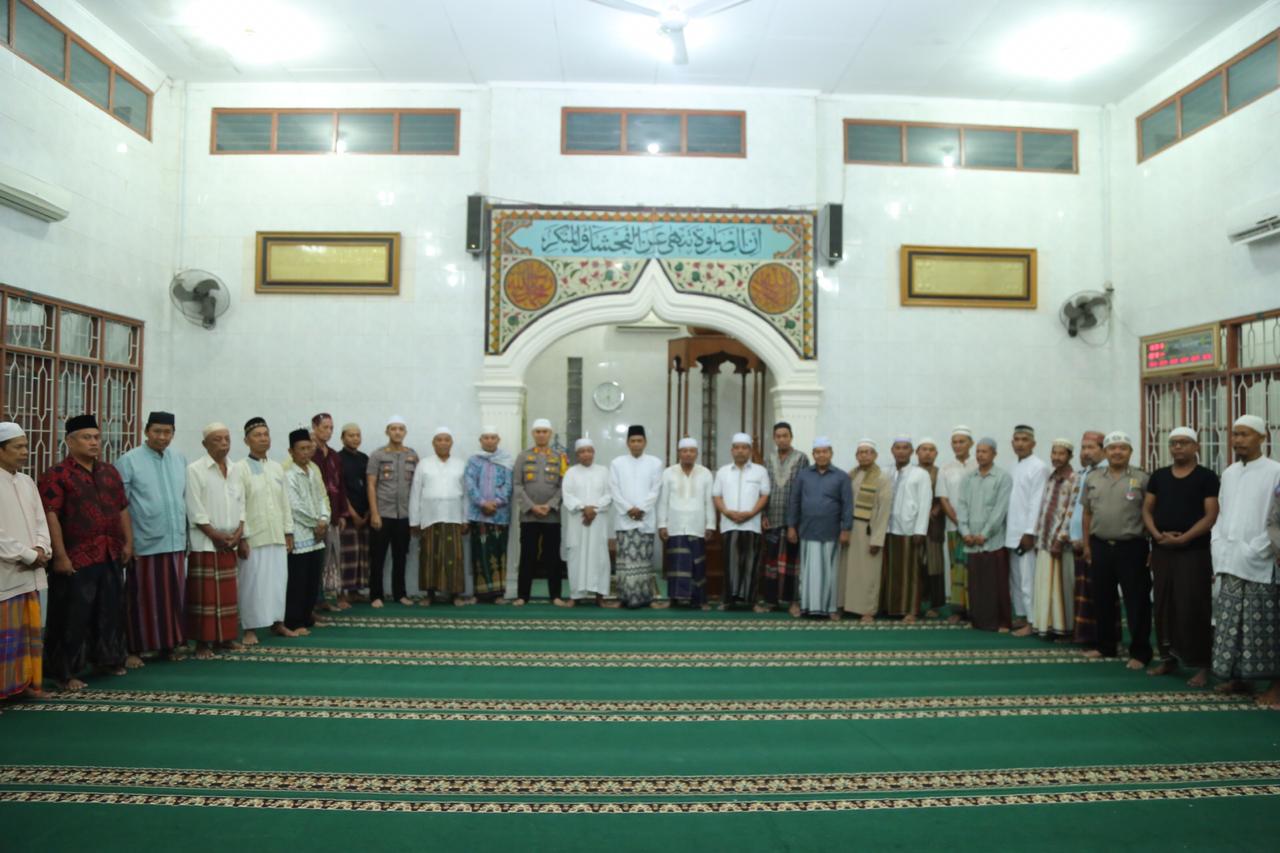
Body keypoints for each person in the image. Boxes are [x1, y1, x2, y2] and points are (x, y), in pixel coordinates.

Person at [39, 414, 132, 691]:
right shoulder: (57, 474)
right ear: (69, 441)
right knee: (72, 615)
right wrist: (60, 555)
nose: (94, 443)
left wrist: (129, 543)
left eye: (96, 437)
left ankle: (108, 659)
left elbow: (122, 508)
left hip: (110, 552)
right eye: (86, 437)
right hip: (76, 557)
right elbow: (50, 515)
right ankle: (64, 672)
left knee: (110, 610)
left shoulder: (109, 472)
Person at [1211, 414, 1280, 705]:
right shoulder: (1228, 473)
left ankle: (1275, 686)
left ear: (1262, 437)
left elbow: (1275, 520)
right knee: (1232, 624)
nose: (1238, 440)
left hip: (1261, 562)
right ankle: (1238, 678)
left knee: (1264, 627)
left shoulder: (1275, 471)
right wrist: (1217, 543)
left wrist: (1257, 548)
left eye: (1245, 434)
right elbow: (1223, 513)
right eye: (1235, 434)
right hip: (1228, 561)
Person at [1143, 426, 1219, 687]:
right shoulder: (1159, 476)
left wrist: (1185, 538)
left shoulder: (1207, 477)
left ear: (1196, 447)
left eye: (1184, 443)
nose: (1177, 447)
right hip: (1163, 550)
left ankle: (1201, 665)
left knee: (1193, 607)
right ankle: (1168, 658)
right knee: (1163, 605)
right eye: (1173, 443)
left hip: (1193, 552)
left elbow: (1211, 515)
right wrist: (1158, 536)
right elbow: (1147, 510)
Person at [114, 411, 188, 667]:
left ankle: (168, 645)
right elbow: (119, 505)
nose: (162, 437)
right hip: (144, 542)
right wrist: (127, 541)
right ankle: (134, 648)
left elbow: (182, 499)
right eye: (157, 431)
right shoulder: (129, 461)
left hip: (175, 541)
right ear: (146, 431)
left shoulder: (178, 459)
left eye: (167, 432)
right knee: (140, 598)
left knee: (172, 596)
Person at [1081, 431, 1151, 670]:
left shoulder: (1142, 478)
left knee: (1136, 601)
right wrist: (1088, 545)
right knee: (1102, 599)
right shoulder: (1093, 478)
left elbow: (1150, 514)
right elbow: (1087, 513)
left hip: (1132, 547)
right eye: (1112, 448)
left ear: (1130, 452)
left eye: (1122, 448)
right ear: (1105, 452)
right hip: (1100, 545)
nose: (1117, 452)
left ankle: (1140, 652)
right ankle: (1105, 646)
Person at [184, 422, 245, 659]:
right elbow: (194, 507)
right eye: (217, 440)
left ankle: (226, 639)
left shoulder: (236, 468)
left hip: (229, 541)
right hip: (206, 542)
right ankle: (202, 643)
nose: (223, 444)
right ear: (204, 444)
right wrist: (214, 534)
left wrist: (239, 531)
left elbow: (242, 503)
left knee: (228, 595)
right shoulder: (195, 469)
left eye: (227, 439)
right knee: (205, 597)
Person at [0, 422, 50, 699]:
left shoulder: (27, 481)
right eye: (17, 447)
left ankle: (25, 685)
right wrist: (29, 554)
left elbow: (40, 520)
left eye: (25, 446)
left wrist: (42, 547)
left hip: (28, 572)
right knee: (4, 638)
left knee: (26, 637)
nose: (25, 452)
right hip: (6, 572)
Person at [233, 417, 293, 644]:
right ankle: (250, 628)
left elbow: (285, 502)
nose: (263, 439)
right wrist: (243, 537)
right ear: (246, 440)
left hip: (277, 535)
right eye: (258, 435)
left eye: (266, 434)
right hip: (253, 537)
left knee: (278, 581)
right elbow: (239, 504)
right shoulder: (239, 469)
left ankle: (278, 623)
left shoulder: (277, 467)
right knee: (252, 583)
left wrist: (289, 532)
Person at [788, 437, 852, 620]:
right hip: (807, 530)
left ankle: (830, 608)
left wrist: (846, 529)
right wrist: (792, 526)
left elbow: (847, 505)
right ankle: (806, 606)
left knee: (830, 572)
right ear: (813, 454)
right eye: (818, 452)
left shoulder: (841, 476)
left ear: (831, 453)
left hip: (831, 532)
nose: (821, 455)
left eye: (825, 451)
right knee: (807, 572)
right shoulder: (803, 475)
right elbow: (795, 501)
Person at [956, 437, 1014, 632]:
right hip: (971, 539)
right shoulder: (968, 478)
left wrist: (985, 533)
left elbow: (1000, 510)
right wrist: (965, 532)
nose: (980, 455)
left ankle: (1001, 622)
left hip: (993, 540)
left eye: (985, 451)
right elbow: (961, 506)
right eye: (978, 451)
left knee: (995, 583)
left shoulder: (1002, 478)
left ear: (994, 454)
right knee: (977, 584)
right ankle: (979, 621)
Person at [1069, 431, 1119, 647]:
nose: (1086, 452)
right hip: (1080, 542)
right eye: (1083, 448)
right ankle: (1086, 636)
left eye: (1091, 447)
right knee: (1084, 594)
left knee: (1100, 594)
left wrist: (1085, 539)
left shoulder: (1107, 475)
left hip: (1096, 542)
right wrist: (1074, 536)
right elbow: (1079, 510)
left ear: (1104, 450)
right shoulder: (1085, 474)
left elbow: (1099, 512)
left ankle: (1104, 639)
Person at [512, 419, 569, 606]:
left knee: (552, 556)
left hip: (552, 516)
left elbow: (564, 486)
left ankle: (556, 596)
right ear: (533, 434)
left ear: (550, 433)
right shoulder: (523, 456)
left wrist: (550, 505)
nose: (541, 435)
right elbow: (517, 485)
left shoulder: (560, 457)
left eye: (545, 431)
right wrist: (531, 506)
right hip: (529, 516)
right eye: (538, 431)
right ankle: (523, 596)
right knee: (527, 555)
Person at [713, 433, 771, 612]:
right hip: (729, 524)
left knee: (751, 564)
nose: (740, 451)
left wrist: (751, 513)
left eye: (744, 448)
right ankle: (728, 601)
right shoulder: (723, 471)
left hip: (751, 524)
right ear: (731, 450)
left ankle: (752, 601)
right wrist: (727, 512)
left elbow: (765, 495)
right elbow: (717, 496)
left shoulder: (760, 471)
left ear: (750, 451)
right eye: (737, 447)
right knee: (730, 563)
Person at [609, 425, 665, 609]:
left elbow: (655, 490)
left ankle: (644, 598)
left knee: (643, 560)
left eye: (639, 440)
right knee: (625, 561)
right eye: (632, 441)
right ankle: (624, 597)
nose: (636, 444)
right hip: (624, 520)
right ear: (627, 443)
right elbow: (614, 490)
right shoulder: (617, 463)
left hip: (645, 520)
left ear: (645, 442)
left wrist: (641, 509)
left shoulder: (655, 463)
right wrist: (628, 509)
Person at [1028, 439, 1079, 640]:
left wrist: (1061, 538)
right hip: (1044, 539)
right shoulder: (1051, 477)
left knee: (1061, 586)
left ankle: (1063, 628)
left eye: (1061, 454)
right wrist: (1038, 535)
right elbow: (1043, 509)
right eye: (1054, 453)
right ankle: (1045, 626)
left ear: (1069, 456)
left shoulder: (1073, 479)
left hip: (1060, 543)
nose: (1056, 458)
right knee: (1044, 584)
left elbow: (1070, 512)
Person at [411, 427, 469, 605]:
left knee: (454, 557)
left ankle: (455, 594)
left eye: (446, 440)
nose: (443, 443)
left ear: (451, 443)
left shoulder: (461, 464)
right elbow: (415, 492)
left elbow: (467, 494)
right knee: (429, 556)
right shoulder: (424, 464)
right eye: (439, 440)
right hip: (429, 518)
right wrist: (414, 521)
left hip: (454, 517)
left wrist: (465, 519)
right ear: (433, 443)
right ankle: (430, 594)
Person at [657, 437, 715, 609]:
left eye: (691, 451)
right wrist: (662, 524)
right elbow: (663, 501)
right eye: (684, 451)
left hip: (697, 525)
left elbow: (708, 501)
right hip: (675, 524)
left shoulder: (705, 473)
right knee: (675, 564)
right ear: (679, 453)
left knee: (697, 563)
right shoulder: (668, 472)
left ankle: (699, 600)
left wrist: (710, 524)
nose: (688, 454)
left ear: (696, 453)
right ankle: (674, 599)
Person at [366, 416, 417, 608]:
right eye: (393, 429)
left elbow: (417, 487)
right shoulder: (378, 455)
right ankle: (375, 595)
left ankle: (400, 594)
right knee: (378, 557)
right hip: (383, 514)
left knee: (400, 556)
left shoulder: (412, 455)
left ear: (405, 432)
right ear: (387, 431)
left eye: (401, 429)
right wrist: (374, 513)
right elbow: (371, 485)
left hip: (404, 516)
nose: (397, 432)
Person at [880, 437, 932, 623]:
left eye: (905, 448)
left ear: (911, 452)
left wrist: (920, 530)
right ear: (892, 450)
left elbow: (925, 504)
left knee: (911, 572)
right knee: (890, 571)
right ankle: (891, 608)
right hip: (888, 529)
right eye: (898, 448)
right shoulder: (885, 472)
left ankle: (911, 609)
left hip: (910, 530)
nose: (901, 451)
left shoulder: (920, 474)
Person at [840, 439, 890, 623]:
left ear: (875, 455)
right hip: (850, 528)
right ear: (856, 456)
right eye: (861, 452)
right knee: (847, 571)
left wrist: (877, 539)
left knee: (869, 572)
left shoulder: (882, 478)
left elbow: (884, 510)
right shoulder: (850, 475)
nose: (864, 455)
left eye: (868, 452)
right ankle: (847, 606)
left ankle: (867, 610)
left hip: (869, 529)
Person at [761, 422, 809, 611]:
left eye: (785, 435)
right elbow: (764, 489)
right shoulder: (768, 459)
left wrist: (795, 522)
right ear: (774, 438)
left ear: (791, 437)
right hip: (772, 519)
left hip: (793, 521)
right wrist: (764, 513)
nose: (782, 439)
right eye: (778, 436)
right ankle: (771, 602)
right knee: (772, 563)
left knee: (792, 564)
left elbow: (804, 491)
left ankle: (794, 601)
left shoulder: (801, 459)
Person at [1006, 425, 1049, 632]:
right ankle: (1022, 616)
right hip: (1011, 532)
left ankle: (1033, 622)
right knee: (1015, 579)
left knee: (1028, 580)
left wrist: (1029, 532)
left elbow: (1037, 502)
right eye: (1017, 439)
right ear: (1012, 443)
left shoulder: (1038, 467)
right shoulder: (1013, 466)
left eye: (1024, 439)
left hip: (1026, 534)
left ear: (1033, 443)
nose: (1020, 443)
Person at [464, 426, 513, 604]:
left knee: (498, 553)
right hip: (479, 515)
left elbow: (509, 486)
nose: (490, 441)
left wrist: (496, 503)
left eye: (493, 438)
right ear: (481, 440)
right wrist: (482, 503)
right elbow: (470, 484)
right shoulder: (473, 461)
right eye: (486, 438)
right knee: (479, 553)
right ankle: (479, 594)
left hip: (500, 516)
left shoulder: (506, 460)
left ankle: (498, 594)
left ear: (498, 440)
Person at [562, 438, 613, 606]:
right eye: (582, 451)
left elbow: (609, 494)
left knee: (599, 556)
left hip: (597, 521)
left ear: (594, 452)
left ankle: (600, 596)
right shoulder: (571, 472)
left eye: (589, 450)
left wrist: (594, 509)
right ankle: (575, 595)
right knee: (576, 556)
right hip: (578, 520)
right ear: (577, 455)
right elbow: (567, 495)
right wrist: (584, 508)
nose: (586, 454)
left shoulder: (603, 471)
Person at [936, 426, 977, 624]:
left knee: (975, 569)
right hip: (954, 528)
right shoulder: (946, 468)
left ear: (971, 443)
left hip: (977, 529)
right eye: (955, 442)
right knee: (956, 567)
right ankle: (958, 610)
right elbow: (943, 499)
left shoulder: (979, 466)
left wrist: (971, 526)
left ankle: (975, 608)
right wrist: (960, 524)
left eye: (962, 441)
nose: (958, 445)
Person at [310, 413, 348, 610]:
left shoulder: (333, 455)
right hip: (312, 516)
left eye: (331, 428)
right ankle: (312, 601)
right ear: (314, 427)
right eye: (325, 427)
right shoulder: (307, 452)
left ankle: (323, 599)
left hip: (331, 514)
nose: (329, 431)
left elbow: (339, 485)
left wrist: (341, 513)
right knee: (313, 559)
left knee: (329, 558)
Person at [337, 424, 371, 603]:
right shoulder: (338, 458)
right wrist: (353, 514)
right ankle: (342, 593)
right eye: (351, 435)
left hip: (364, 515)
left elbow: (369, 486)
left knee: (361, 555)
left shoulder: (364, 458)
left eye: (358, 435)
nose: (355, 439)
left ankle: (355, 590)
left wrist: (366, 513)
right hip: (347, 516)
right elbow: (340, 490)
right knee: (346, 556)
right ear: (342, 438)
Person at [915, 438, 947, 617]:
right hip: (912, 526)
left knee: (934, 565)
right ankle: (915, 602)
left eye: (931, 450)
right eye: (924, 449)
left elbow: (944, 497)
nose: (927, 452)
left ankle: (934, 606)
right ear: (917, 453)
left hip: (934, 525)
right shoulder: (910, 472)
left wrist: (932, 511)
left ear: (936, 454)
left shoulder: (941, 473)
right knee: (915, 565)